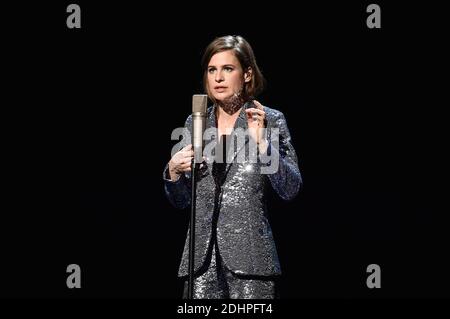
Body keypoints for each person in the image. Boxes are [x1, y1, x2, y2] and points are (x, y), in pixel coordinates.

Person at [163, 35, 302, 299]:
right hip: (200, 266)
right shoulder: (195, 124)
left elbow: (290, 189)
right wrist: (173, 171)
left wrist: (263, 144)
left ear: (247, 74)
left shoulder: (269, 119)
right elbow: (180, 201)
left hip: (251, 265)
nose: (218, 78)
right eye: (212, 70)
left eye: (228, 69)